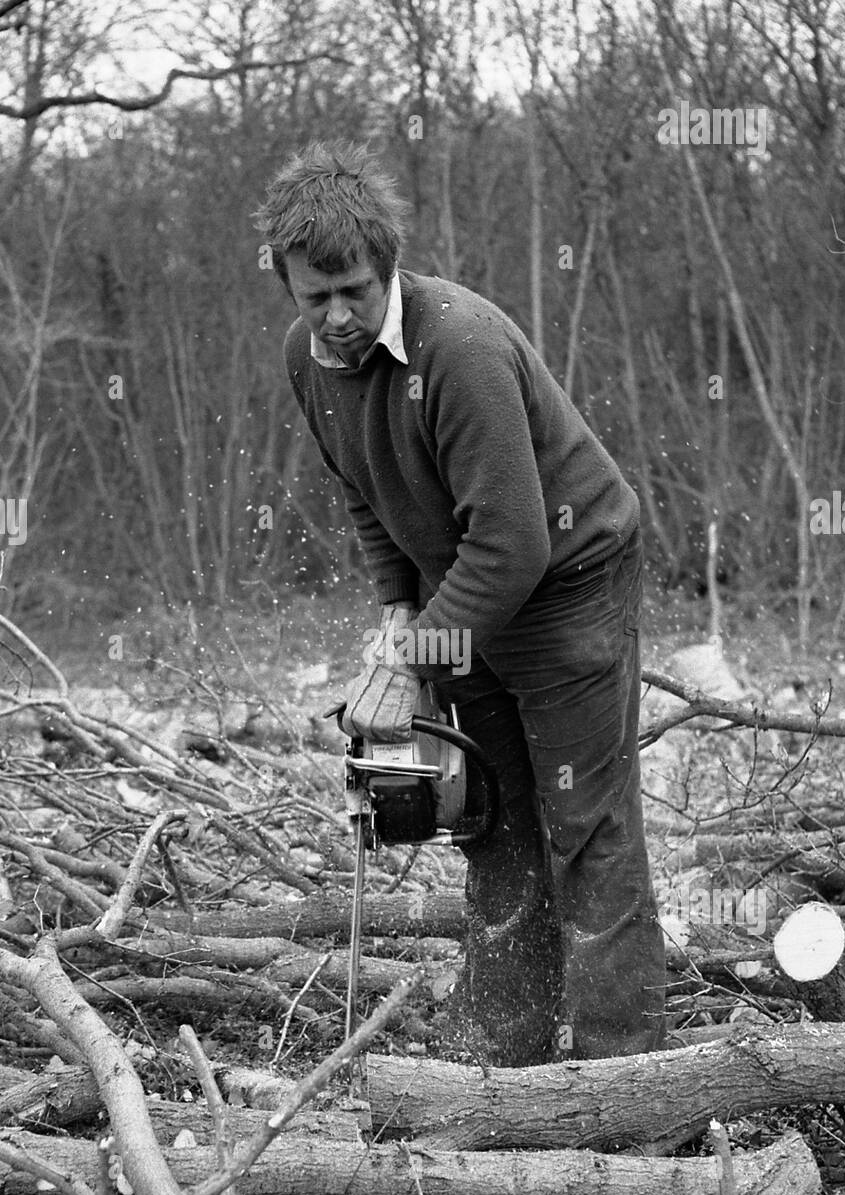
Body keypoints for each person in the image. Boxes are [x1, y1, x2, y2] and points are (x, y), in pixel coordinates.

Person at [254, 140, 665, 1064]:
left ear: (387, 265)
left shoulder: (460, 348)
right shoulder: (306, 357)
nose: (336, 315)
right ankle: (503, 1059)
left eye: (352, 290)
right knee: (493, 820)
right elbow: (364, 490)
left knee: (584, 827)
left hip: (565, 584)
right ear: (284, 280)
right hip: (462, 594)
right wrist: (399, 612)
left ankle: (627, 1079)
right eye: (313, 296)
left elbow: (515, 544)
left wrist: (414, 659)